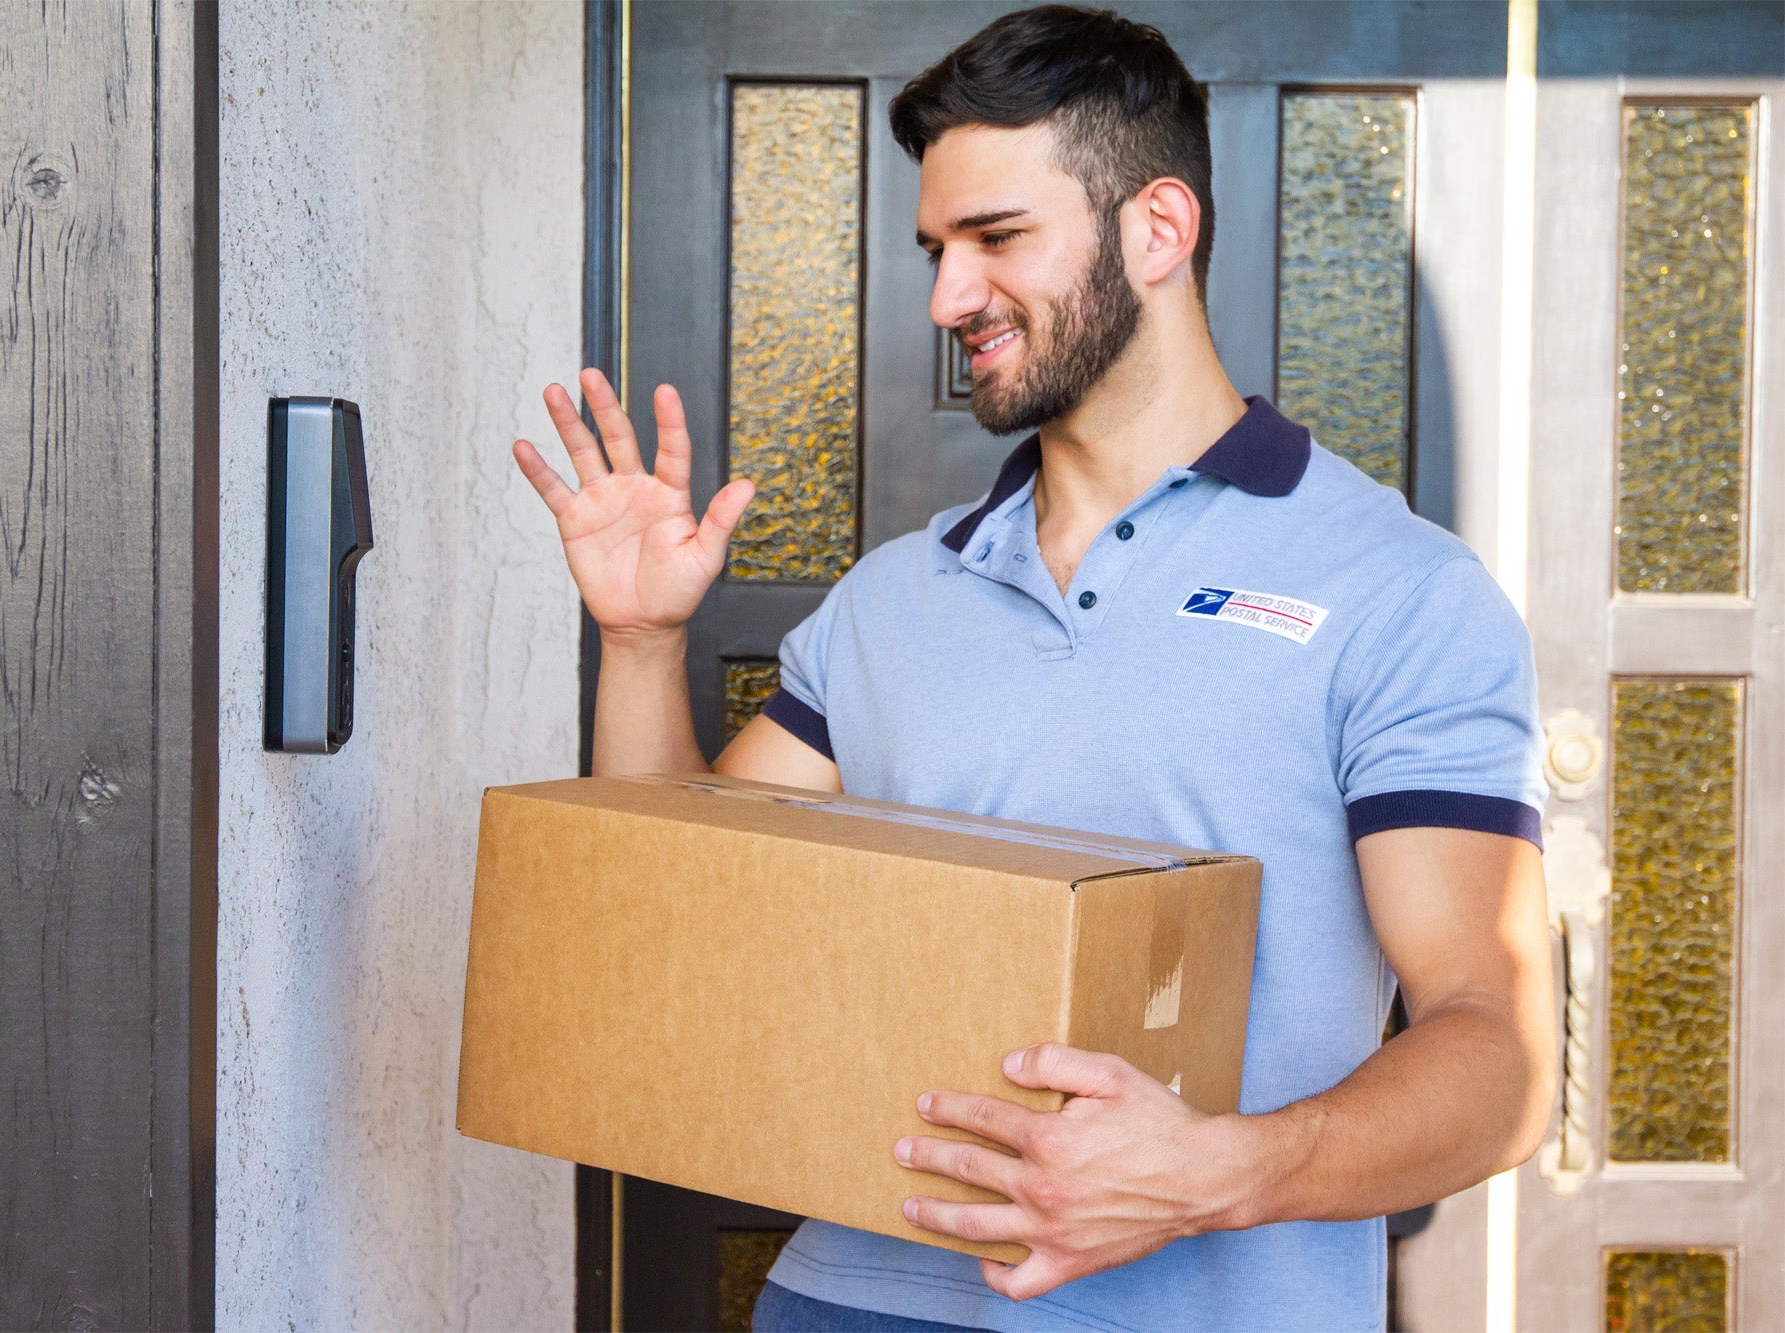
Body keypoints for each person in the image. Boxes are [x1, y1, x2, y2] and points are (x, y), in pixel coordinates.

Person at [510, 6, 1556, 1330]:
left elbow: (1501, 1053)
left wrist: (1210, 1172)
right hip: (848, 1301)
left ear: (1157, 230)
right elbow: (685, 922)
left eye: (998, 240)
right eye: (937, 250)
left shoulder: (1398, 592)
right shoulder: (891, 599)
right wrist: (642, 638)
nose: (949, 297)